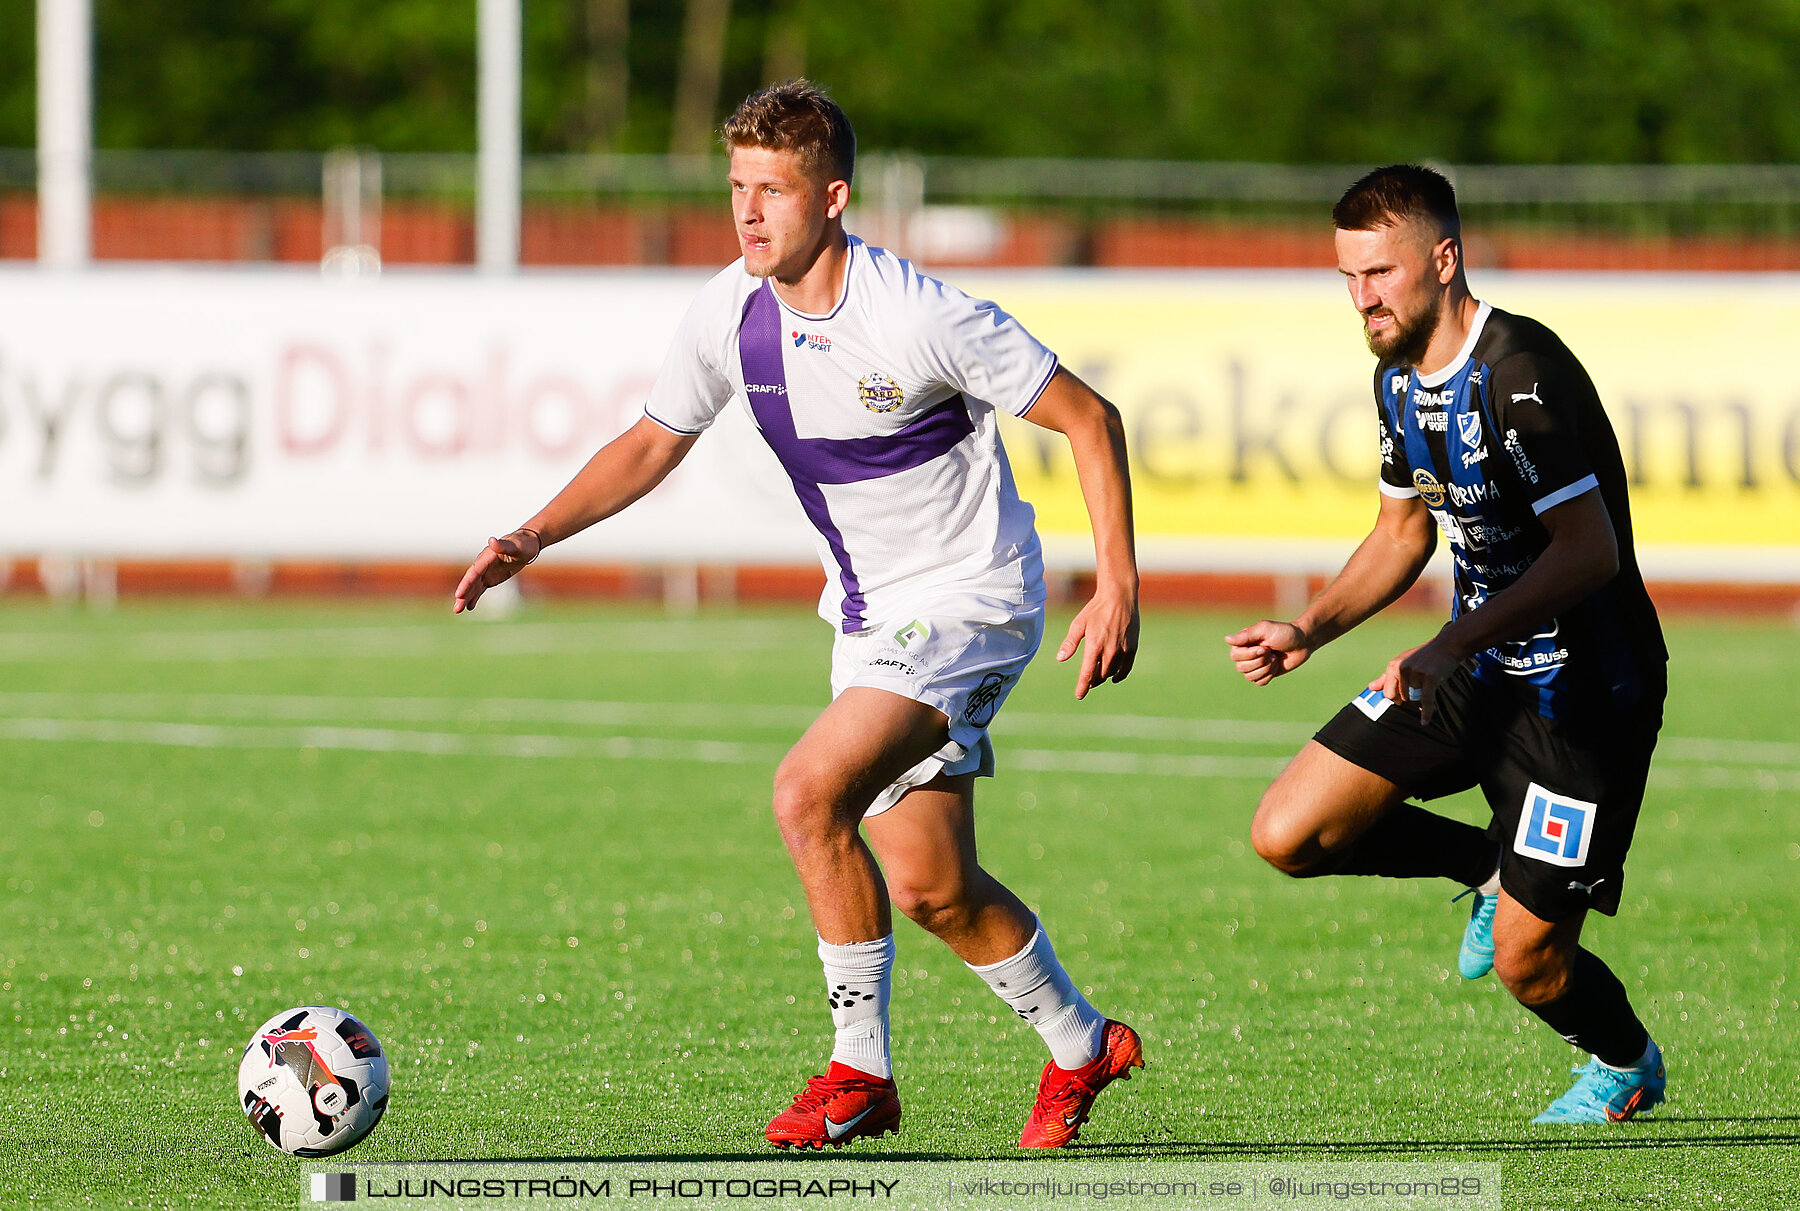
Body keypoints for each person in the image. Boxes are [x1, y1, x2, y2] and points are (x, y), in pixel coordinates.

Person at [455, 80, 1144, 1150]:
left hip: (973, 597)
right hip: (870, 619)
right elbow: (649, 442)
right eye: (736, 187)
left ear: (832, 197)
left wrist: (1118, 583)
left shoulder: (915, 312)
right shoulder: (730, 309)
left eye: (769, 190)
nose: (747, 213)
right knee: (930, 885)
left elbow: (1089, 418)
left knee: (805, 791)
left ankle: (857, 1073)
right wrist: (534, 535)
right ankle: (1081, 1040)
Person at [1225, 165, 1669, 1124]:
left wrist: (1448, 639)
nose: (1362, 298)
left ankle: (1624, 1061)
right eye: (1347, 277)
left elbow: (1589, 552)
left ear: (1445, 257)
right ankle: (1484, 865)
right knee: (1287, 832)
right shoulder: (1395, 379)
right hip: (1476, 670)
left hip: (1582, 697)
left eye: (1378, 273)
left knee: (1529, 965)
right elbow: (1399, 535)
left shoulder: (1521, 372)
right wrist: (1310, 628)